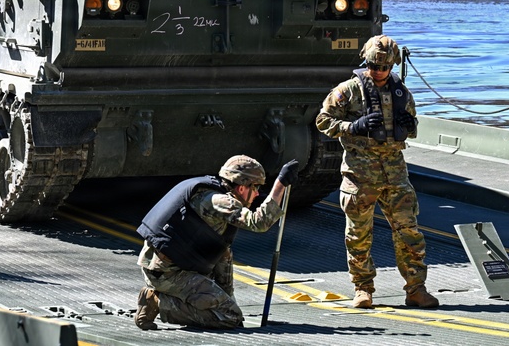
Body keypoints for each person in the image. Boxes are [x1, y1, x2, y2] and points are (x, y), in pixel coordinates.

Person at [315, 34, 439, 309]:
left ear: (392, 65)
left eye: (384, 67)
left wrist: (409, 124)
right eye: (374, 65)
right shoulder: (348, 90)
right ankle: (363, 289)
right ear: (366, 61)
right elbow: (323, 120)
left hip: (395, 174)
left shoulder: (401, 92)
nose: (379, 72)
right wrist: (353, 126)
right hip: (360, 174)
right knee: (359, 235)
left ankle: (416, 289)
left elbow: (412, 128)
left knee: (409, 233)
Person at [134, 155, 299, 330]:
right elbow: (259, 222)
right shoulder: (216, 201)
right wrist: (280, 184)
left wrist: (226, 299)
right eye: (255, 187)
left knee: (223, 251)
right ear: (242, 186)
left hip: (178, 264)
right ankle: (158, 302)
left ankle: (220, 305)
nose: (258, 193)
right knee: (230, 318)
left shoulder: (215, 191)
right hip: (168, 273)